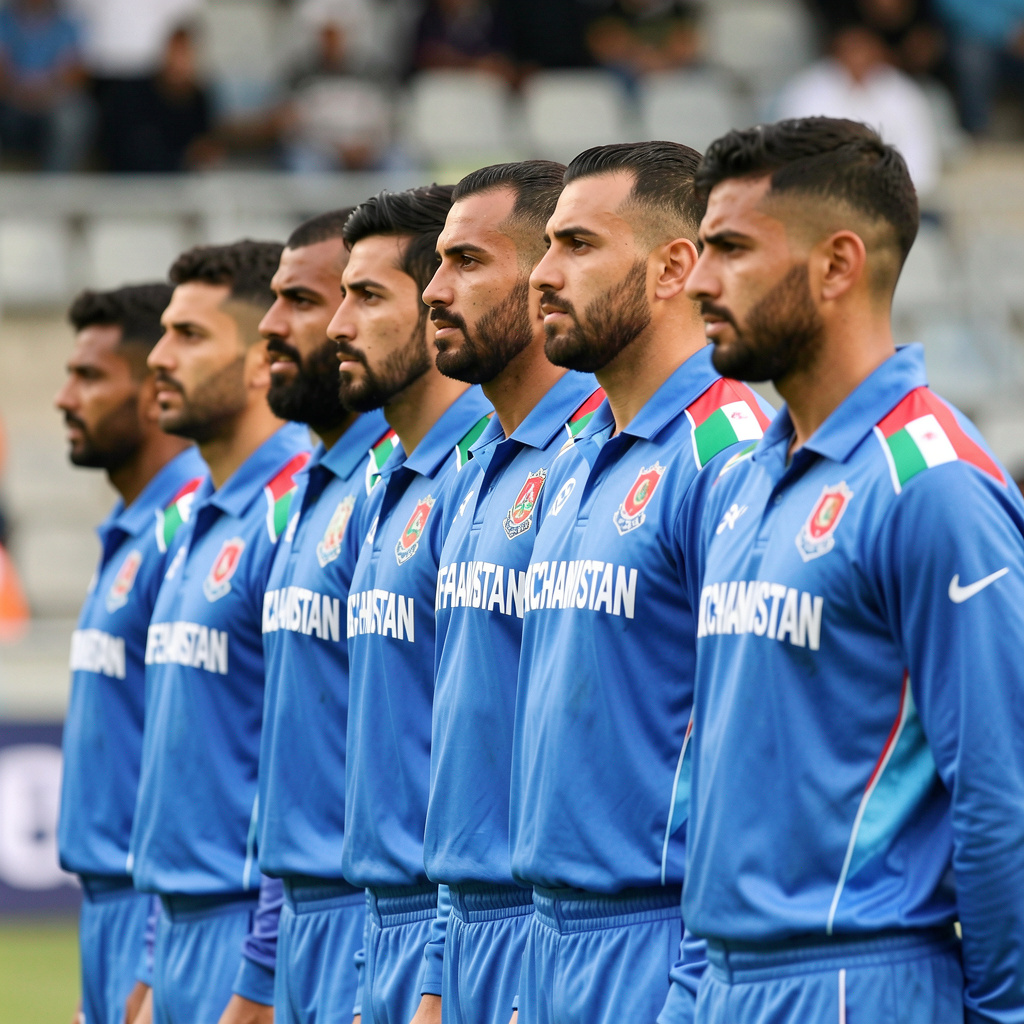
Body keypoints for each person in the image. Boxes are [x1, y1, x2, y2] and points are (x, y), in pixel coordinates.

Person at [672, 116, 1024, 1023]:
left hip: (856, 980)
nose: (700, 281)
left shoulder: (934, 483)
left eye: (733, 249)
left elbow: (1000, 792)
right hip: (725, 979)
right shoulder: (749, 474)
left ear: (836, 266)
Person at [512, 141, 773, 1024]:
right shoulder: (576, 455)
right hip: (543, 943)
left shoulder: (729, 451)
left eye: (578, 245)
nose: (542, 275)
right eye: (547, 245)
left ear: (673, 268)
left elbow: (753, 755)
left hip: (659, 945)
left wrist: (696, 987)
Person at [418, 159, 600, 1024]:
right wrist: (433, 968)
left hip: (569, 937)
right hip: (460, 932)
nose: (434, 290)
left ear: (542, 280)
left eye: (466, 262)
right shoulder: (476, 469)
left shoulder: (595, 459)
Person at [128, 240, 312, 1024]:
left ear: (258, 363)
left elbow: (306, 771)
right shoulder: (194, 517)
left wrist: (258, 976)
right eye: (165, 332)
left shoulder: (295, 508)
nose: (160, 359)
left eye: (191, 336)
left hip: (248, 932)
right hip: (175, 931)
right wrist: (145, 966)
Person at [326, 185, 492, 1024]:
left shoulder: (485, 474)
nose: (335, 328)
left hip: (462, 935)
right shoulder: (384, 481)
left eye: (365, 297)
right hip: (380, 926)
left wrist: (431, 967)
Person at [53, 283, 206, 1024]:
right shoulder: (132, 529)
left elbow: (197, 760)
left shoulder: (190, 533)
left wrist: (149, 957)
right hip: (109, 910)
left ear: (154, 392)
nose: (63, 398)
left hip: (158, 909)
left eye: (89, 376)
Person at [257, 209, 390, 1024]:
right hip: (300, 924)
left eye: (301, 300)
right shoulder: (315, 486)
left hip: (370, 922)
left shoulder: (399, 488)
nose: (273, 327)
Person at [0, 0, 91, 171]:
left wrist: (45, 92)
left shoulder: (67, 24)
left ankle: (54, 188)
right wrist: (19, 91)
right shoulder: (3, 20)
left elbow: (75, 71)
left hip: (51, 100)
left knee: (75, 116)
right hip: (9, 100)